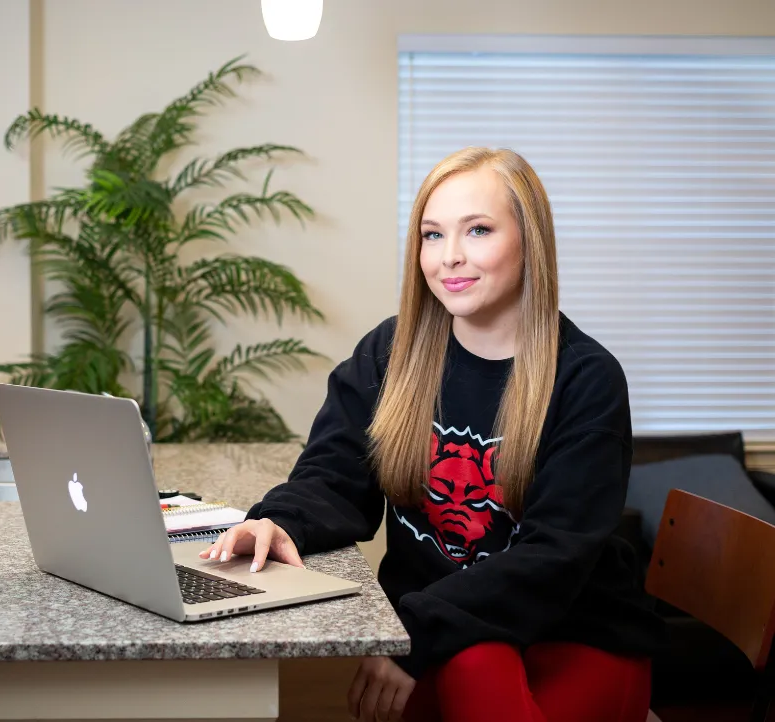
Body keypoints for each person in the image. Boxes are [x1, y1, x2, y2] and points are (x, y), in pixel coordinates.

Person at [199, 147, 665, 722]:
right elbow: (334, 476)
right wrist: (277, 522)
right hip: (446, 636)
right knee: (471, 660)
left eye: (478, 230)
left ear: (530, 242)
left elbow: (554, 559)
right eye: (432, 235)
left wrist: (415, 635)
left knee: (473, 663)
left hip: (574, 635)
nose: (451, 257)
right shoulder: (391, 352)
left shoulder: (585, 378)